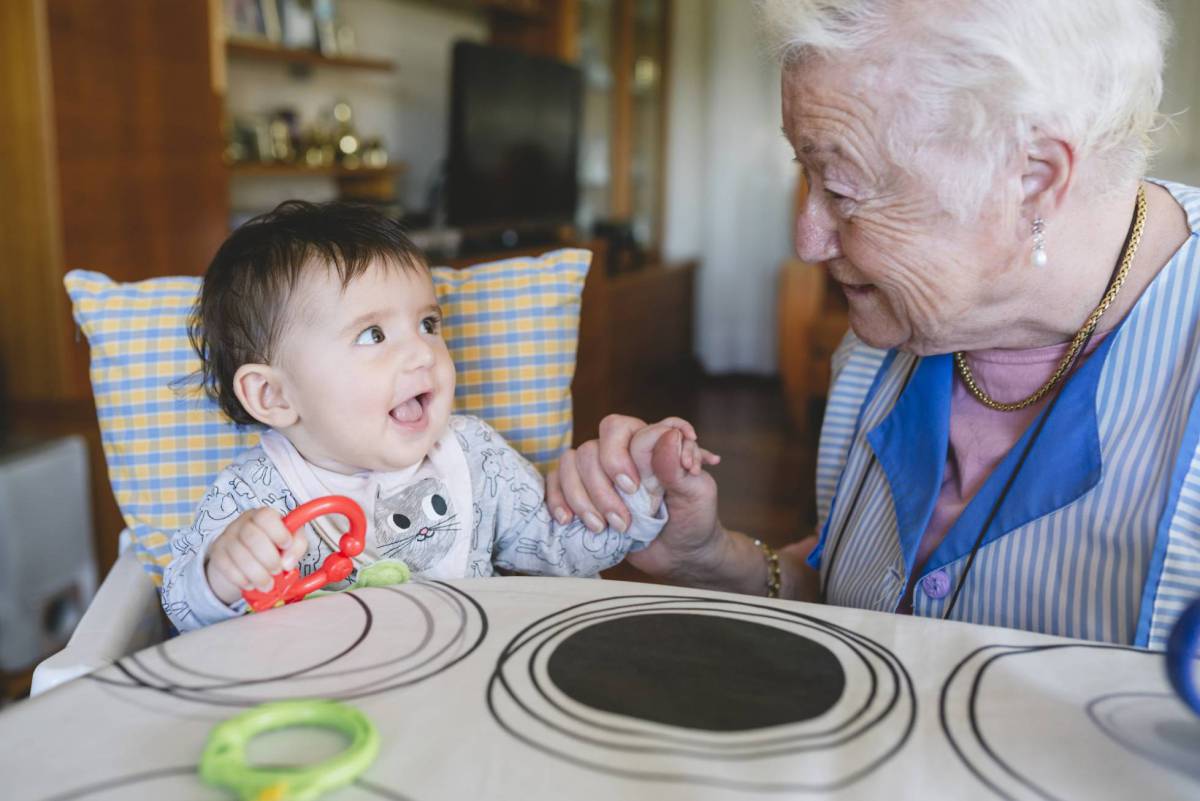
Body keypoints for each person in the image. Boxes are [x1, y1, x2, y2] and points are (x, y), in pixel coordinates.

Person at [547, 0, 1200, 650]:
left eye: (844, 189)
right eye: (807, 175)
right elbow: (853, 597)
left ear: (1032, 177)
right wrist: (712, 556)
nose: (807, 240)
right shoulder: (890, 326)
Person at [161, 201, 713, 632]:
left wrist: (638, 488)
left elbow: (558, 546)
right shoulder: (249, 499)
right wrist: (221, 575)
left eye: (428, 324)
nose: (423, 352)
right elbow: (183, 614)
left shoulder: (471, 455)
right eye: (373, 334)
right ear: (274, 397)